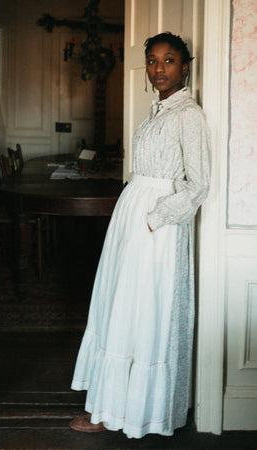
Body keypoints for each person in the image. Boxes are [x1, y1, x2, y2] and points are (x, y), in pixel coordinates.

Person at [69, 32, 211, 439]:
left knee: (144, 312)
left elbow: (198, 185)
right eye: (152, 60)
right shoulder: (156, 112)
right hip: (131, 221)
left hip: (157, 229)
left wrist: (154, 219)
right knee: (119, 307)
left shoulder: (189, 115)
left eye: (169, 60)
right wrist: (135, 217)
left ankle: (127, 412)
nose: (159, 68)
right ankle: (107, 405)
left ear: (185, 66)